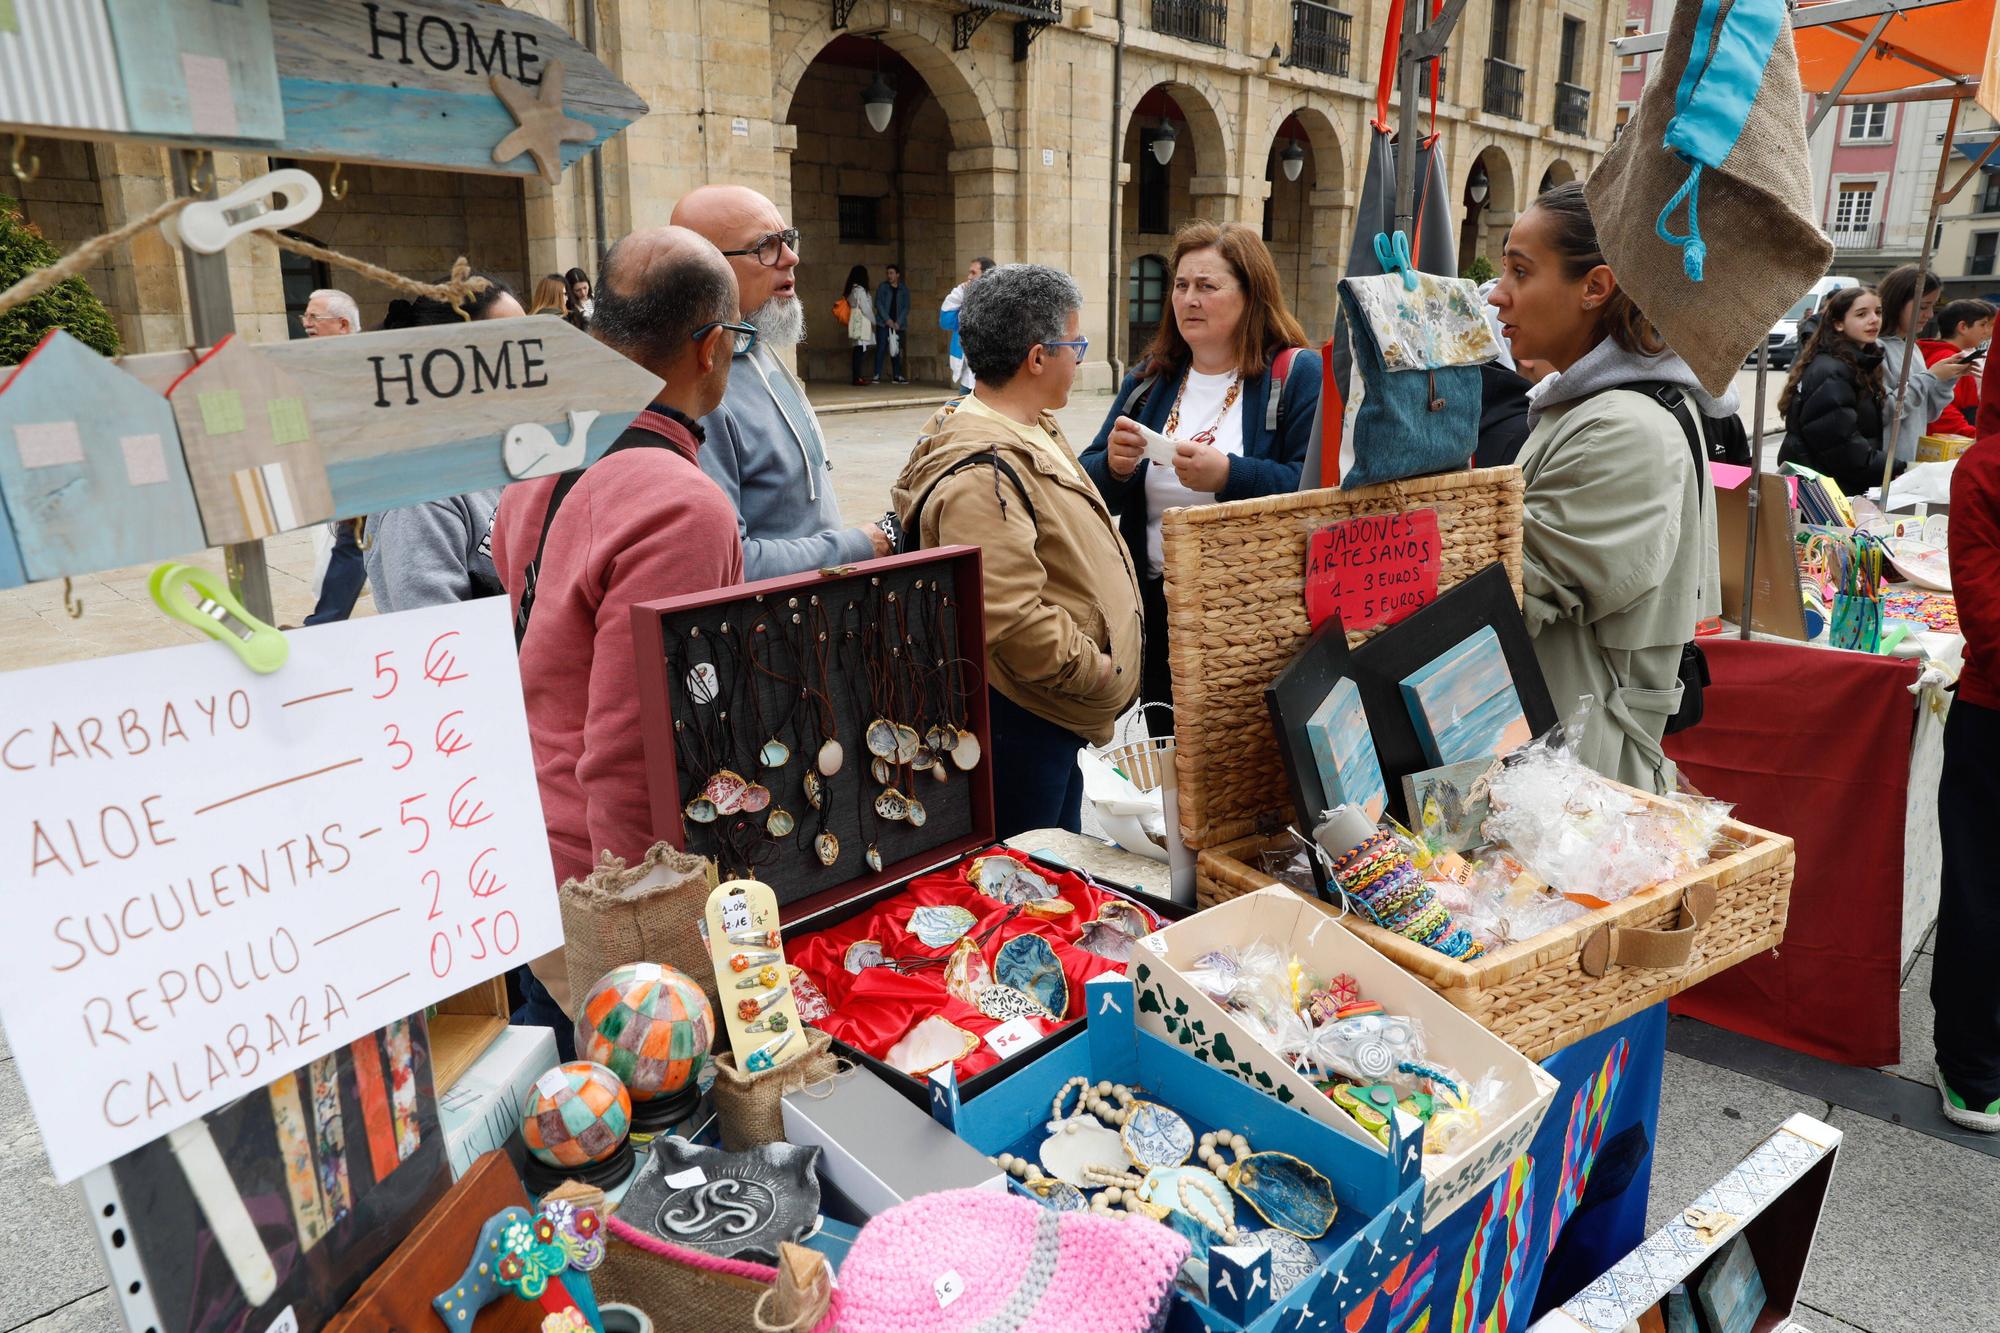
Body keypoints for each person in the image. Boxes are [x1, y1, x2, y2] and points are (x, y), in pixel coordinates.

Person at [493, 226, 747, 1032]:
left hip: (530, 847)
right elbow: (631, 754)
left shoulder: (540, 460)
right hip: (600, 904)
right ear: (709, 346)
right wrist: (646, 963)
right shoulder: (680, 505)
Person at [1486, 182, 1723, 794]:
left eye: (1519, 270)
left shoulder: (1623, 425)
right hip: (1558, 759)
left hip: (1578, 780)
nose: (1498, 294)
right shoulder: (1590, 408)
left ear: (1595, 286)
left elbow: (1513, 589)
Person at [892, 264, 1142, 839]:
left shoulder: (1031, 426)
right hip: (1027, 718)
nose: (1079, 359)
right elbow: (1010, 617)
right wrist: (1097, 672)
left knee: (1058, 860)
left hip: (1049, 715)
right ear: (1037, 357)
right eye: (1075, 345)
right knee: (1028, 873)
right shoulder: (985, 471)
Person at [1080, 221, 1320, 731]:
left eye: (1208, 286)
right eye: (1182, 285)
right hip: (1161, 608)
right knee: (1171, 764)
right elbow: (1085, 483)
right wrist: (1116, 466)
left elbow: (1314, 489)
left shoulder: (1297, 374)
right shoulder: (1151, 378)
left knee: (1246, 770)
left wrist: (1229, 476)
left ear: (1251, 295)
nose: (1189, 299)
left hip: (1251, 615)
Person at [670, 185, 889, 579]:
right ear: (705, 269)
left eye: (787, 240)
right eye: (765, 246)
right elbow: (732, 563)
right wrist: (860, 544)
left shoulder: (756, 342)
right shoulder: (696, 389)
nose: (791, 257)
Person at [364, 276, 527, 613]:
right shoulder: (420, 496)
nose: (530, 362)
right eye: (510, 347)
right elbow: (438, 641)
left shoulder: (516, 450)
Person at [1935, 371, 2000, 1132]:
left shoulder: (1983, 465)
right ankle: (1974, 1064)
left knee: (1982, 888)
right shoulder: (1984, 468)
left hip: (1989, 707)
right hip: (1991, 708)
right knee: (1983, 892)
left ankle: (1975, 1059)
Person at [1776, 285, 1894, 497]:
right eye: (1861, 314)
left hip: (1836, 487)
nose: (1874, 319)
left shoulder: (1858, 363)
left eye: (1878, 312)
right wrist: (1893, 466)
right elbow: (1842, 447)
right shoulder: (1832, 371)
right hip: (1825, 493)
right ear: (1839, 323)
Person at [299, 289, 368, 627]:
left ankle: (322, 625)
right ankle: (323, 622)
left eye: (315, 318)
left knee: (351, 543)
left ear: (343, 324)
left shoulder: (364, 362)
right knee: (352, 543)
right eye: (306, 317)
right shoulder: (321, 363)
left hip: (366, 469)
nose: (307, 324)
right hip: (342, 469)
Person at [1878, 263, 1975, 471]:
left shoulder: (1912, 348)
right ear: (1897, 303)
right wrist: (1930, 377)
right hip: (1883, 465)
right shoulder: (1876, 349)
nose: (1930, 314)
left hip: (1908, 462)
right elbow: (1886, 411)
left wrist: (1946, 380)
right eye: (1923, 307)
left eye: (1932, 306)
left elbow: (1927, 414)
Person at [1919, 297, 1992, 436]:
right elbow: (1943, 409)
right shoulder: (1948, 358)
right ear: (1963, 327)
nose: (1987, 331)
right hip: (1952, 439)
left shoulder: (1947, 354)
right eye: (1983, 325)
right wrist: (1971, 434)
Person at [940, 256, 993, 391]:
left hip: (989, 377)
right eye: (969, 272)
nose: (969, 277)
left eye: (973, 273)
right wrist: (959, 293)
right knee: (962, 411)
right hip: (967, 377)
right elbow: (945, 322)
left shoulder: (997, 302)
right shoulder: (964, 301)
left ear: (987, 275)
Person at [874, 263, 911, 384]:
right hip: (883, 324)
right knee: (881, 348)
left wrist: (898, 322)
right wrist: (888, 320)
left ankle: (897, 375)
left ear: (897, 275)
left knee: (896, 349)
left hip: (898, 325)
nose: (889, 276)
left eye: (891, 273)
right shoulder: (883, 287)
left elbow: (906, 307)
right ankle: (877, 374)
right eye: (888, 273)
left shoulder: (903, 289)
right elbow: (878, 304)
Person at [843, 263, 876, 386]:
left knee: (858, 350)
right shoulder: (860, 290)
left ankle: (857, 377)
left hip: (856, 322)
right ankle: (857, 377)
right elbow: (866, 309)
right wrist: (874, 321)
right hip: (862, 323)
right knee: (859, 351)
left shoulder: (852, 290)